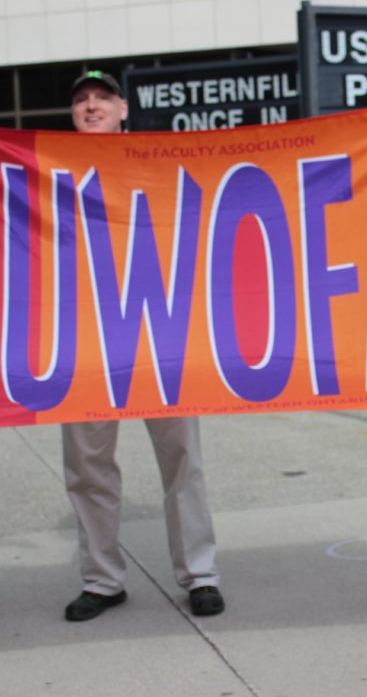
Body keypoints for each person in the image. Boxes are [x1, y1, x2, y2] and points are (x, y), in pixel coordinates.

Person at [62, 70, 225, 621]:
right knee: (87, 466)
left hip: (160, 334)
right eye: (81, 100)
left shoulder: (158, 161)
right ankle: (102, 580)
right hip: (85, 341)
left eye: (101, 98)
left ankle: (199, 575)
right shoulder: (49, 174)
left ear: (124, 109)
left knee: (183, 458)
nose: (90, 107)